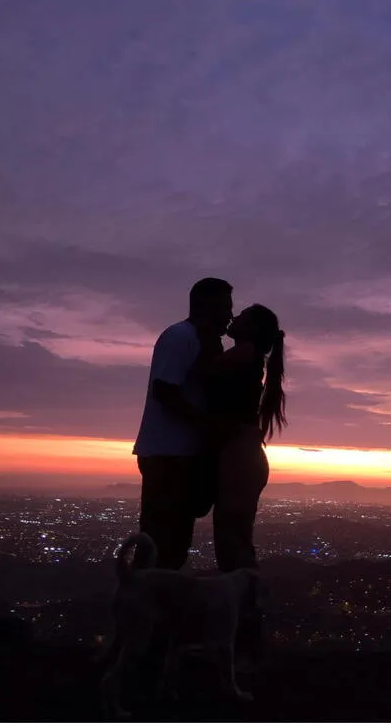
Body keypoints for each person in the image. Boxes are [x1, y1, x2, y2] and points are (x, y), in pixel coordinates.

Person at [193, 303, 287, 667]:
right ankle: (246, 632)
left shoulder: (245, 352)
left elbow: (202, 373)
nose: (234, 318)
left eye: (243, 314)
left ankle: (246, 634)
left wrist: (200, 334)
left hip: (240, 457)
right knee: (234, 543)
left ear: (253, 329)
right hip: (244, 455)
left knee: (234, 546)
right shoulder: (251, 355)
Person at [131, 277, 233, 570]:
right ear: (208, 306)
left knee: (173, 543)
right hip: (168, 454)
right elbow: (165, 390)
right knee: (161, 541)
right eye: (226, 307)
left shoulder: (198, 341)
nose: (229, 315)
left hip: (180, 455)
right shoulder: (180, 336)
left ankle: (156, 605)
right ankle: (146, 606)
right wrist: (208, 425)